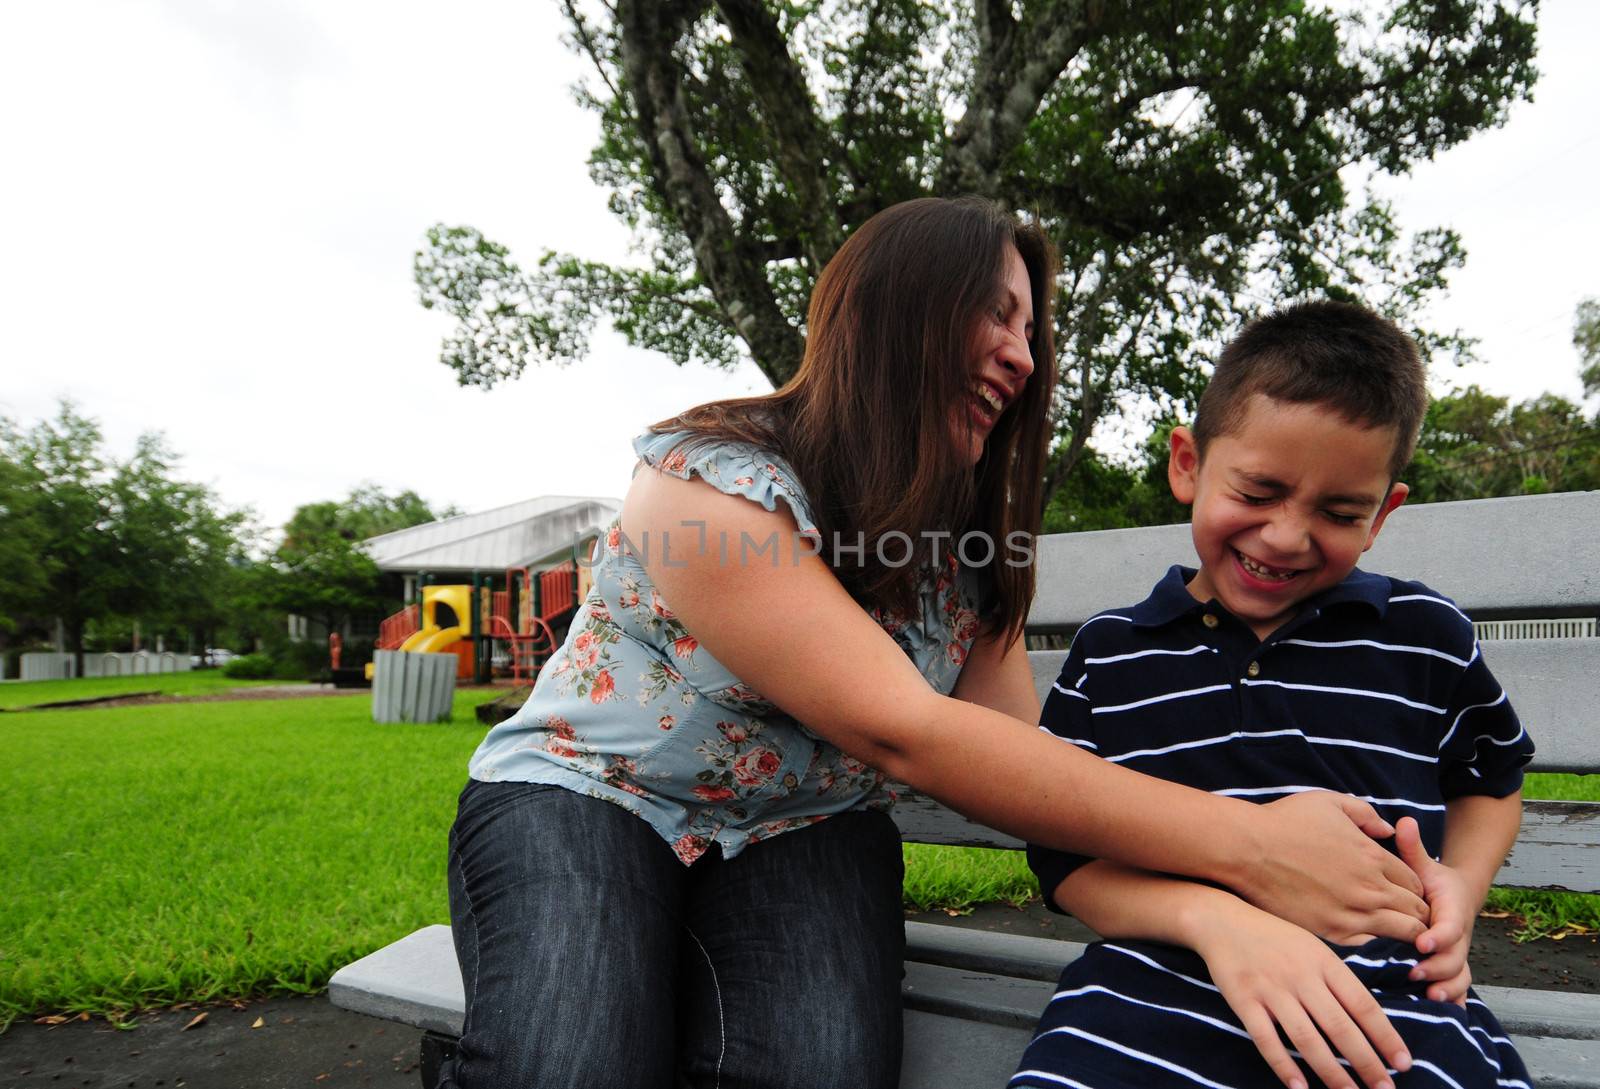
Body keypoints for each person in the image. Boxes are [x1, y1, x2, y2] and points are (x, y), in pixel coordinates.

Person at [441, 200, 1432, 1089]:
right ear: (896, 307)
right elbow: (907, 730)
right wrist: (1254, 848)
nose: (1024, 358)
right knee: (568, 1064)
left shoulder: (973, 553)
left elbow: (1030, 772)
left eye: (1032, 333)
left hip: (804, 832)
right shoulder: (709, 479)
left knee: (818, 1074)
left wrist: (1212, 909)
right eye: (999, 315)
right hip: (588, 797)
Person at [1012, 301, 1534, 1089]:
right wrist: (1203, 918)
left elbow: (1492, 781)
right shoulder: (1111, 652)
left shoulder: (1423, 634)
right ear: (1187, 463)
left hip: (1389, 1001)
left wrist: (1460, 885)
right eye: (1258, 490)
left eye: (1339, 510)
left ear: (1383, 514)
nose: (1287, 536)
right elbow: (1063, 856)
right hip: (1155, 990)